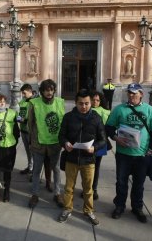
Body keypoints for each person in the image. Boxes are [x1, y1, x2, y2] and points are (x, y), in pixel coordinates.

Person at [105, 83, 152, 223]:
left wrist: (151, 150)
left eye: (135, 93)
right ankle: (119, 206)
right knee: (121, 182)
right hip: (123, 155)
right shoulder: (119, 110)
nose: (131, 95)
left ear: (141, 94)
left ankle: (137, 207)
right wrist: (116, 138)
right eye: (129, 93)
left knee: (138, 184)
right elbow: (109, 127)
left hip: (141, 155)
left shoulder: (149, 110)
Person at [57, 89, 106, 225]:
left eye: (86, 103)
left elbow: (103, 140)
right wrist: (65, 143)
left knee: (88, 189)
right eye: (80, 104)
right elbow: (61, 136)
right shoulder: (68, 117)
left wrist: (94, 148)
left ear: (91, 103)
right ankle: (67, 209)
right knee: (68, 187)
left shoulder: (96, 118)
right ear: (75, 103)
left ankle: (88, 210)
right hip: (71, 158)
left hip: (88, 160)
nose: (83, 107)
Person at [28, 79, 65, 208]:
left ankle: (57, 193)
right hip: (39, 144)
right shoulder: (33, 103)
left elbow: (63, 123)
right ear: (42, 91)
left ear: (54, 90)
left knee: (56, 169)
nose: (49, 92)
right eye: (46, 90)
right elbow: (30, 124)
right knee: (37, 170)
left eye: (51, 89)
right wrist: (31, 142)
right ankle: (35, 194)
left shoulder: (60, 102)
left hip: (55, 144)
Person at [90, 91, 111, 201]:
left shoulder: (105, 112)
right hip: (87, 142)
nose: (95, 102)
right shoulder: (85, 108)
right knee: (86, 167)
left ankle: (94, 189)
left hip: (99, 143)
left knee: (96, 167)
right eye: (93, 99)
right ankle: (87, 188)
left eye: (98, 100)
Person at [18, 83, 34, 176]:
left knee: (33, 151)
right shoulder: (23, 101)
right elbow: (20, 114)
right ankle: (30, 167)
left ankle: (34, 170)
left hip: (30, 131)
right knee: (27, 151)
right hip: (23, 130)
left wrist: (23, 119)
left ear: (30, 91)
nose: (23, 95)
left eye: (24, 93)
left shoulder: (35, 101)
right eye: (22, 93)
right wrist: (19, 118)